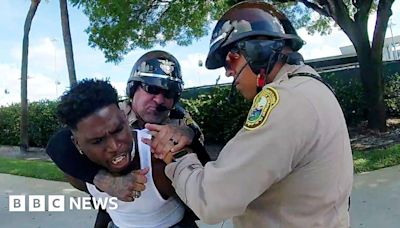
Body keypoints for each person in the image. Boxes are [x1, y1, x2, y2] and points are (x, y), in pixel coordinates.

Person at [147, 1, 353, 227]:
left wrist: (176, 155)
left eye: (230, 59)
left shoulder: (285, 102)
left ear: (257, 51)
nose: (228, 72)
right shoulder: (310, 87)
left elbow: (211, 199)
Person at [46, 51, 210, 227]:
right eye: (152, 89)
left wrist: (188, 135)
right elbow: (59, 144)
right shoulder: (111, 109)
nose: (159, 100)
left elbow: (205, 180)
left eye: (169, 93)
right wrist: (102, 180)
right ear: (133, 89)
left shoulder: (180, 121)